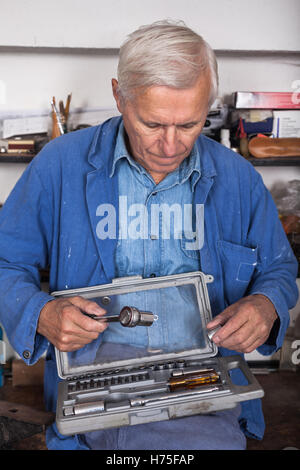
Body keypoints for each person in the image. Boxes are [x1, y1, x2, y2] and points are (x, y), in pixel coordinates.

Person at [0, 20, 298, 450]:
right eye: (153, 124)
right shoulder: (59, 166)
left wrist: (266, 303)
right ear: (120, 96)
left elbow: (279, 269)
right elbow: (6, 262)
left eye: (190, 124)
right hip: (93, 379)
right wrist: (40, 313)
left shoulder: (238, 180)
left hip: (201, 375)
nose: (171, 145)